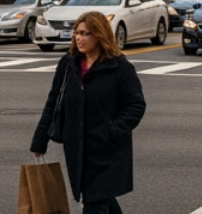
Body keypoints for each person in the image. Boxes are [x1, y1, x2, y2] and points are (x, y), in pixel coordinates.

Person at [31, 12, 147, 214]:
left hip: (107, 151)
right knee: (101, 199)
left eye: (86, 34)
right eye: (77, 32)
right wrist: (40, 139)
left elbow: (135, 105)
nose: (79, 38)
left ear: (100, 36)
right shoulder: (68, 64)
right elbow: (53, 102)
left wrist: (112, 132)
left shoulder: (120, 67)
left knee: (95, 203)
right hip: (78, 149)